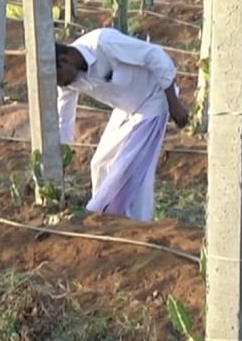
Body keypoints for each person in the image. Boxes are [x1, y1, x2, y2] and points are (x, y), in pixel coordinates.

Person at [55, 27, 189, 221]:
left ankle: (137, 224)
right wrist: (57, 160)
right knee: (100, 163)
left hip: (153, 99)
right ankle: (106, 219)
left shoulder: (103, 43)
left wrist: (173, 103)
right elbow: (64, 118)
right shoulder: (67, 81)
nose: (62, 86)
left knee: (133, 168)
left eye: (60, 80)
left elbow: (155, 55)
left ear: (64, 61)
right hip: (125, 108)